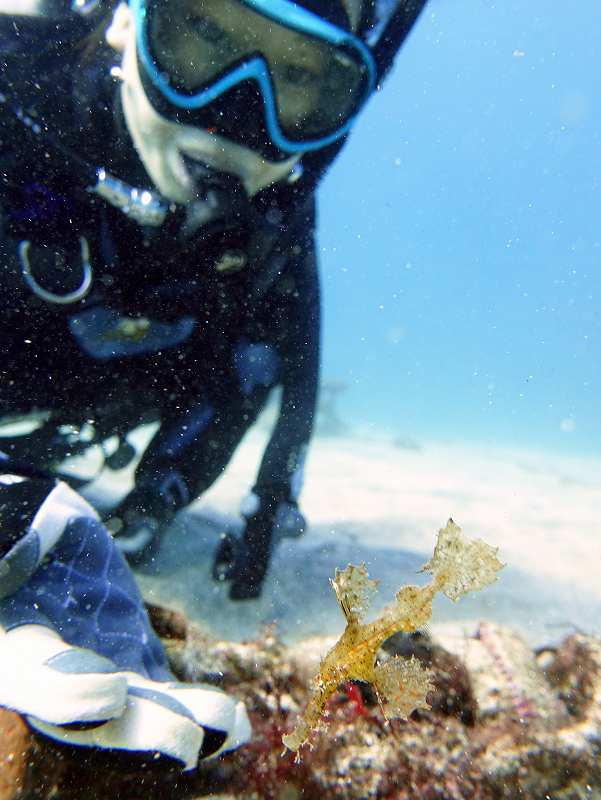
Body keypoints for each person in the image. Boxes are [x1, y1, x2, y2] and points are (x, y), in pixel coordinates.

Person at [0, 0, 426, 769]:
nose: (238, 108)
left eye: (299, 78)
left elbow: (241, 380)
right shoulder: (14, 87)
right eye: (201, 33)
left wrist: (154, 500)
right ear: (128, 20)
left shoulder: (266, 236)